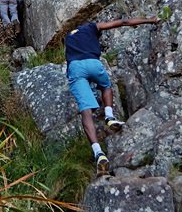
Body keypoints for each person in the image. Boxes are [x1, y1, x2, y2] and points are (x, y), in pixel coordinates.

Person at [64, 16, 159, 176]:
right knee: (106, 87)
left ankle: (98, 152)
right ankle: (109, 116)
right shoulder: (93, 26)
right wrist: (150, 20)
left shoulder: (69, 36)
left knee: (85, 110)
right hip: (93, 62)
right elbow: (123, 22)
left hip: (75, 66)